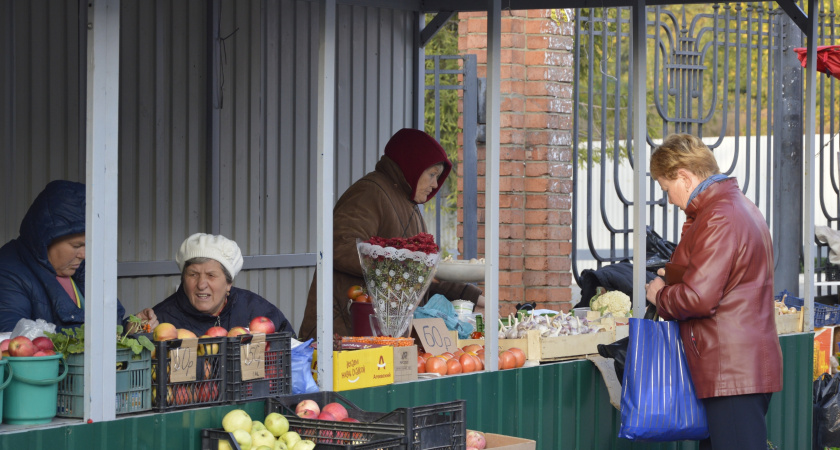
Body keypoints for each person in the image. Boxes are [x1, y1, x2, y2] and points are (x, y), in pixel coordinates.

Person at [644, 134, 782, 450]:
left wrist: (660, 295)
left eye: (667, 189)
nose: (669, 199)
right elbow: (728, 280)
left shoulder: (718, 215)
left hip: (731, 369)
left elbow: (700, 297)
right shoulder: (736, 206)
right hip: (737, 363)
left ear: (685, 176)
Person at [298, 128, 485, 340]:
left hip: (381, 334)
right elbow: (339, 246)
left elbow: (421, 276)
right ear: (412, 166)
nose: (435, 185)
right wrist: (403, 265)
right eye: (432, 174)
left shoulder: (409, 206)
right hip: (343, 330)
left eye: (438, 177)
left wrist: (471, 296)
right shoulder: (369, 193)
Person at [0, 180, 129, 332]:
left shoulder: (79, 269)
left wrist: (128, 328)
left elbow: (110, 326)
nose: (84, 255)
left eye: (89, 244)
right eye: (76, 246)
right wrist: (93, 338)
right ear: (46, 238)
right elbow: (14, 338)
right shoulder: (8, 272)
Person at [138, 233, 295, 337]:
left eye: (211, 275)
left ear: (228, 283)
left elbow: (292, 353)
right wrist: (138, 331)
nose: (201, 285)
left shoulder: (255, 310)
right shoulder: (163, 319)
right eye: (193, 274)